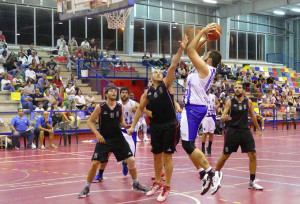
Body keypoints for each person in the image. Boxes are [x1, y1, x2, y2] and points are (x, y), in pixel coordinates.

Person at [127, 35, 188, 202]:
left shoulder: (167, 84)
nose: (159, 73)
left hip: (170, 125)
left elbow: (174, 64)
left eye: (160, 71)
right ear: (150, 78)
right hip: (155, 126)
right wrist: (133, 126)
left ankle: (167, 186)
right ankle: (158, 183)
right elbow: (140, 110)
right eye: (155, 72)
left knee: (167, 156)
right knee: (156, 155)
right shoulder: (147, 93)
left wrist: (181, 48)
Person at [77, 86, 148, 198]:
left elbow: (121, 122)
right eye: (111, 91)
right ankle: (87, 187)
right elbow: (90, 122)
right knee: (95, 163)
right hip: (104, 138)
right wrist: (98, 134)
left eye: (115, 91)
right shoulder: (100, 107)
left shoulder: (121, 107)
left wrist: (129, 126)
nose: (114, 92)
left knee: (131, 160)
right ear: (106, 94)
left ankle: (136, 183)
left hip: (118, 138)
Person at [181, 23, 222, 196]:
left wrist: (203, 31)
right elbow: (192, 51)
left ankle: (212, 173)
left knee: (188, 145)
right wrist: (204, 40)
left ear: (210, 60)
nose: (203, 56)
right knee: (186, 144)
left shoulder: (205, 68)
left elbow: (191, 51)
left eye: (205, 55)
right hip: (193, 108)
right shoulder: (202, 67)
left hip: (194, 108)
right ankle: (203, 173)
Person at [215, 83, 263, 190]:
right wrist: (224, 117)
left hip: (245, 131)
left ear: (243, 90)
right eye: (235, 88)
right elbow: (222, 116)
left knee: (253, 155)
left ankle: (252, 181)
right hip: (232, 131)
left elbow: (253, 116)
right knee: (225, 156)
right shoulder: (230, 102)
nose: (237, 89)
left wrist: (259, 129)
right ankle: (215, 176)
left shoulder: (248, 102)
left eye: (239, 88)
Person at [201, 90, 220, 156]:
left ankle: (209, 147)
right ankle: (202, 147)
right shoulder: (202, 96)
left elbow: (218, 103)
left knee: (211, 133)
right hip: (205, 116)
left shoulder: (213, 96)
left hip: (212, 116)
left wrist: (216, 106)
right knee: (205, 132)